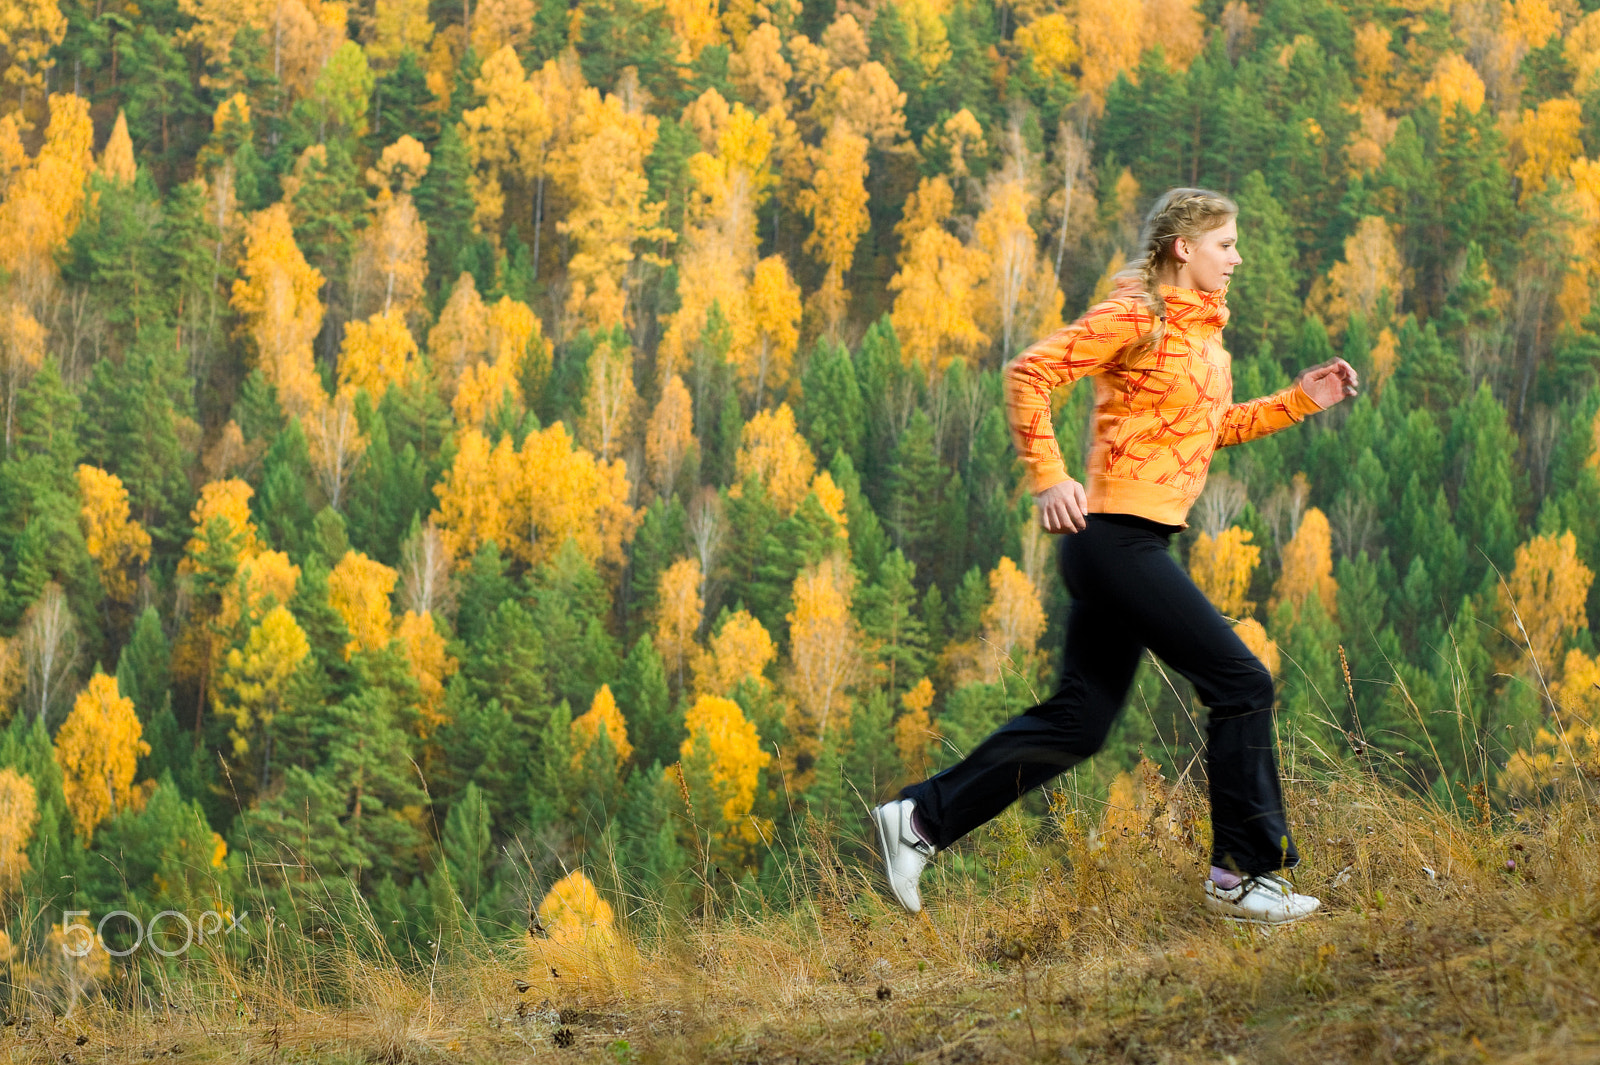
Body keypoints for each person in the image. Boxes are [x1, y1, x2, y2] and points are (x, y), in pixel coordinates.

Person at [872, 187, 1359, 926]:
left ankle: (922, 820)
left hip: (1131, 543)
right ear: (1183, 248)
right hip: (1113, 540)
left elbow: (1202, 431)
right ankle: (1241, 875)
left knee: (1080, 722)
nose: (1237, 258)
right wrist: (1049, 475)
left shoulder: (1198, 339)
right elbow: (1029, 374)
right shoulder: (1138, 313)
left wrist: (1298, 402)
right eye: (1226, 244)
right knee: (1241, 680)